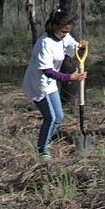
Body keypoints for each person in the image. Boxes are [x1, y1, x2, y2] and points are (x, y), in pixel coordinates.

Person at [21, 10, 88, 161]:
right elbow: (47, 71)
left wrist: (82, 48)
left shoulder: (65, 37)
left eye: (68, 31)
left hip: (50, 83)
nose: (65, 34)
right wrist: (70, 77)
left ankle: (45, 142)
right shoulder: (44, 43)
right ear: (54, 26)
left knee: (58, 116)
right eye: (63, 31)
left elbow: (75, 49)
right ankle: (42, 150)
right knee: (50, 117)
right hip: (38, 83)